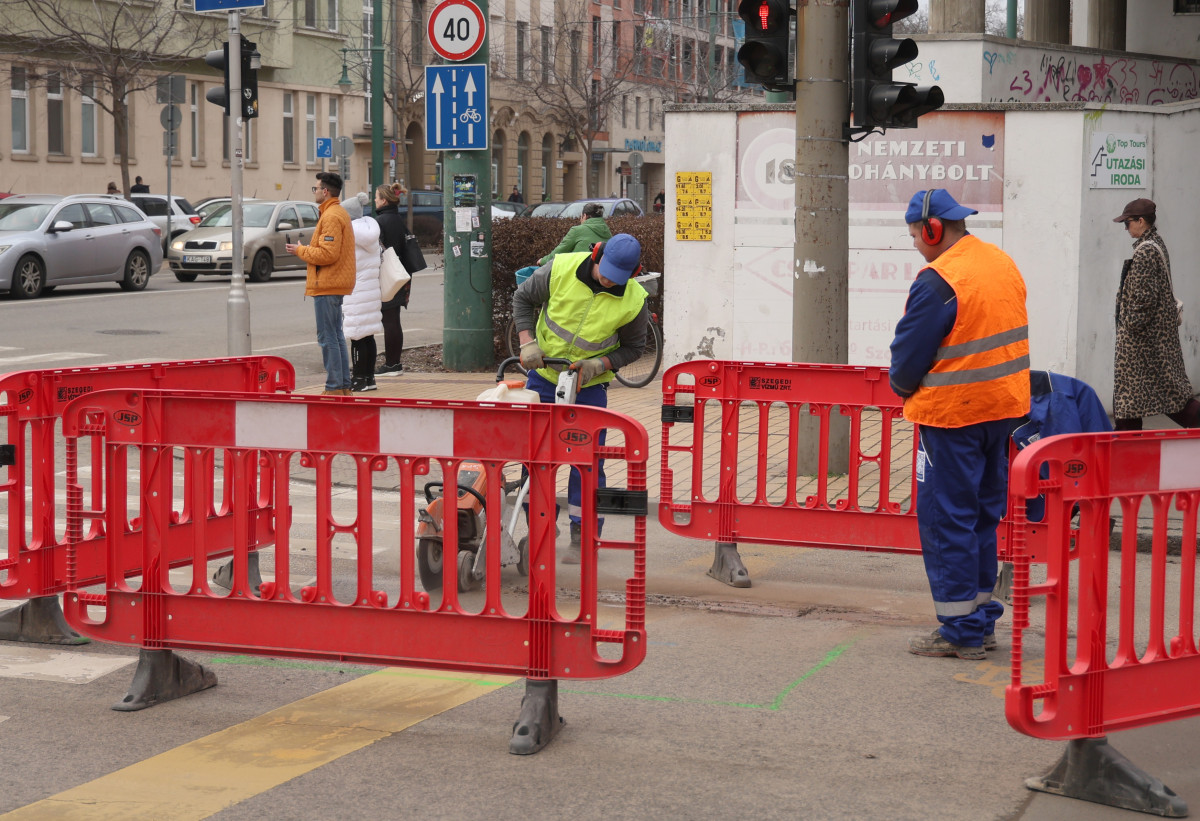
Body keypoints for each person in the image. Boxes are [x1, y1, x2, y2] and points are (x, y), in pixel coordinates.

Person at [888, 188, 1031, 661]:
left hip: (953, 417)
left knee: (947, 520)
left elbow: (907, 360)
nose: (915, 244)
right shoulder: (1000, 262)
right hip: (1003, 410)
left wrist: (905, 387)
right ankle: (982, 620)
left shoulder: (939, 280)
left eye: (915, 235)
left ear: (932, 229)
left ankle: (960, 631)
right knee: (982, 517)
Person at [513, 233, 650, 564]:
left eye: (617, 278)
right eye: (604, 271)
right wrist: (527, 341)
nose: (607, 280)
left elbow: (635, 347)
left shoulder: (633, 300)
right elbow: (522, 298)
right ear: (596, 255)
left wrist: (600, 364)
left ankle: (584, 533)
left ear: (633, 273)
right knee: (535, 458)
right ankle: (540, 527)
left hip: (588, 387)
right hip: (544, 378)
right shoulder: (559, 269)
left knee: (586, 461)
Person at [1111, 198, 1200, 430]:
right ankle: (1125, 447)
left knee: (1166, 398)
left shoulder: (1145, 252)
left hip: (1143, 344)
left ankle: (1125, 450)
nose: (1126, 228)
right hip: (1153, 340)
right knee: (1137, 401)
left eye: (1127, 223)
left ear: (1141, 221)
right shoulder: (1155, 244)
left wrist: (1128, 328)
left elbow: (1143, 299)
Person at [285, 172, 355, 396]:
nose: (314, 192)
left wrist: (300, 250)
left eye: (315, 188)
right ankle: (343, 386)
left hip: (328, 284)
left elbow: (328, 254)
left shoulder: (332, 216)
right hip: (333, 283)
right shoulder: (336, 212)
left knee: (328, 338)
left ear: (325, 191)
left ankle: (334, 387)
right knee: (336, 336)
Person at [342, 192, 384, 392]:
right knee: (368, 336)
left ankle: (359, 379)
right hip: (370, 291)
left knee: (357, 337)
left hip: (355, 291)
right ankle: (369, 377)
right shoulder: (371, 232)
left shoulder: (350, 234)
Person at [373, 182, 410, 377]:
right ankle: (394, 362)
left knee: (390, 320)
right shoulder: (397, 218)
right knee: (394, 318)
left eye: (377, 197)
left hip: (388, 275)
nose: (374, 200)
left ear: (384, 200)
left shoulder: (381, 222)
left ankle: (391, 365)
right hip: (401, 274)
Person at [537, 202, 611, 265]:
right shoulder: (608, 233)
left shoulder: (577, 230)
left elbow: (559, 252)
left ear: (584, 216)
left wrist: (542, 261)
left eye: (581, 217)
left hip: (580, 276)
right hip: (600, 276)